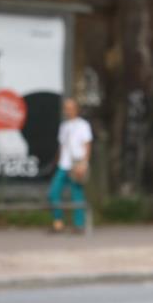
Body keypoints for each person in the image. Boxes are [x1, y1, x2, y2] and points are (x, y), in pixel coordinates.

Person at [49, 98, 92, 234]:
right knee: (53, 192)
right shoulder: (64, 126)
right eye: (66, 108)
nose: (68, 110)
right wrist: (56, 163)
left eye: (70, 107)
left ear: (76, 109)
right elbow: (62, 147)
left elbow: (87, 145)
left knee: (77, 195)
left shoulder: (83, 125)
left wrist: (84, 163)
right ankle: (58, 222)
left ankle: (79, 225)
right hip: (63, 165)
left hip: (77, 164)